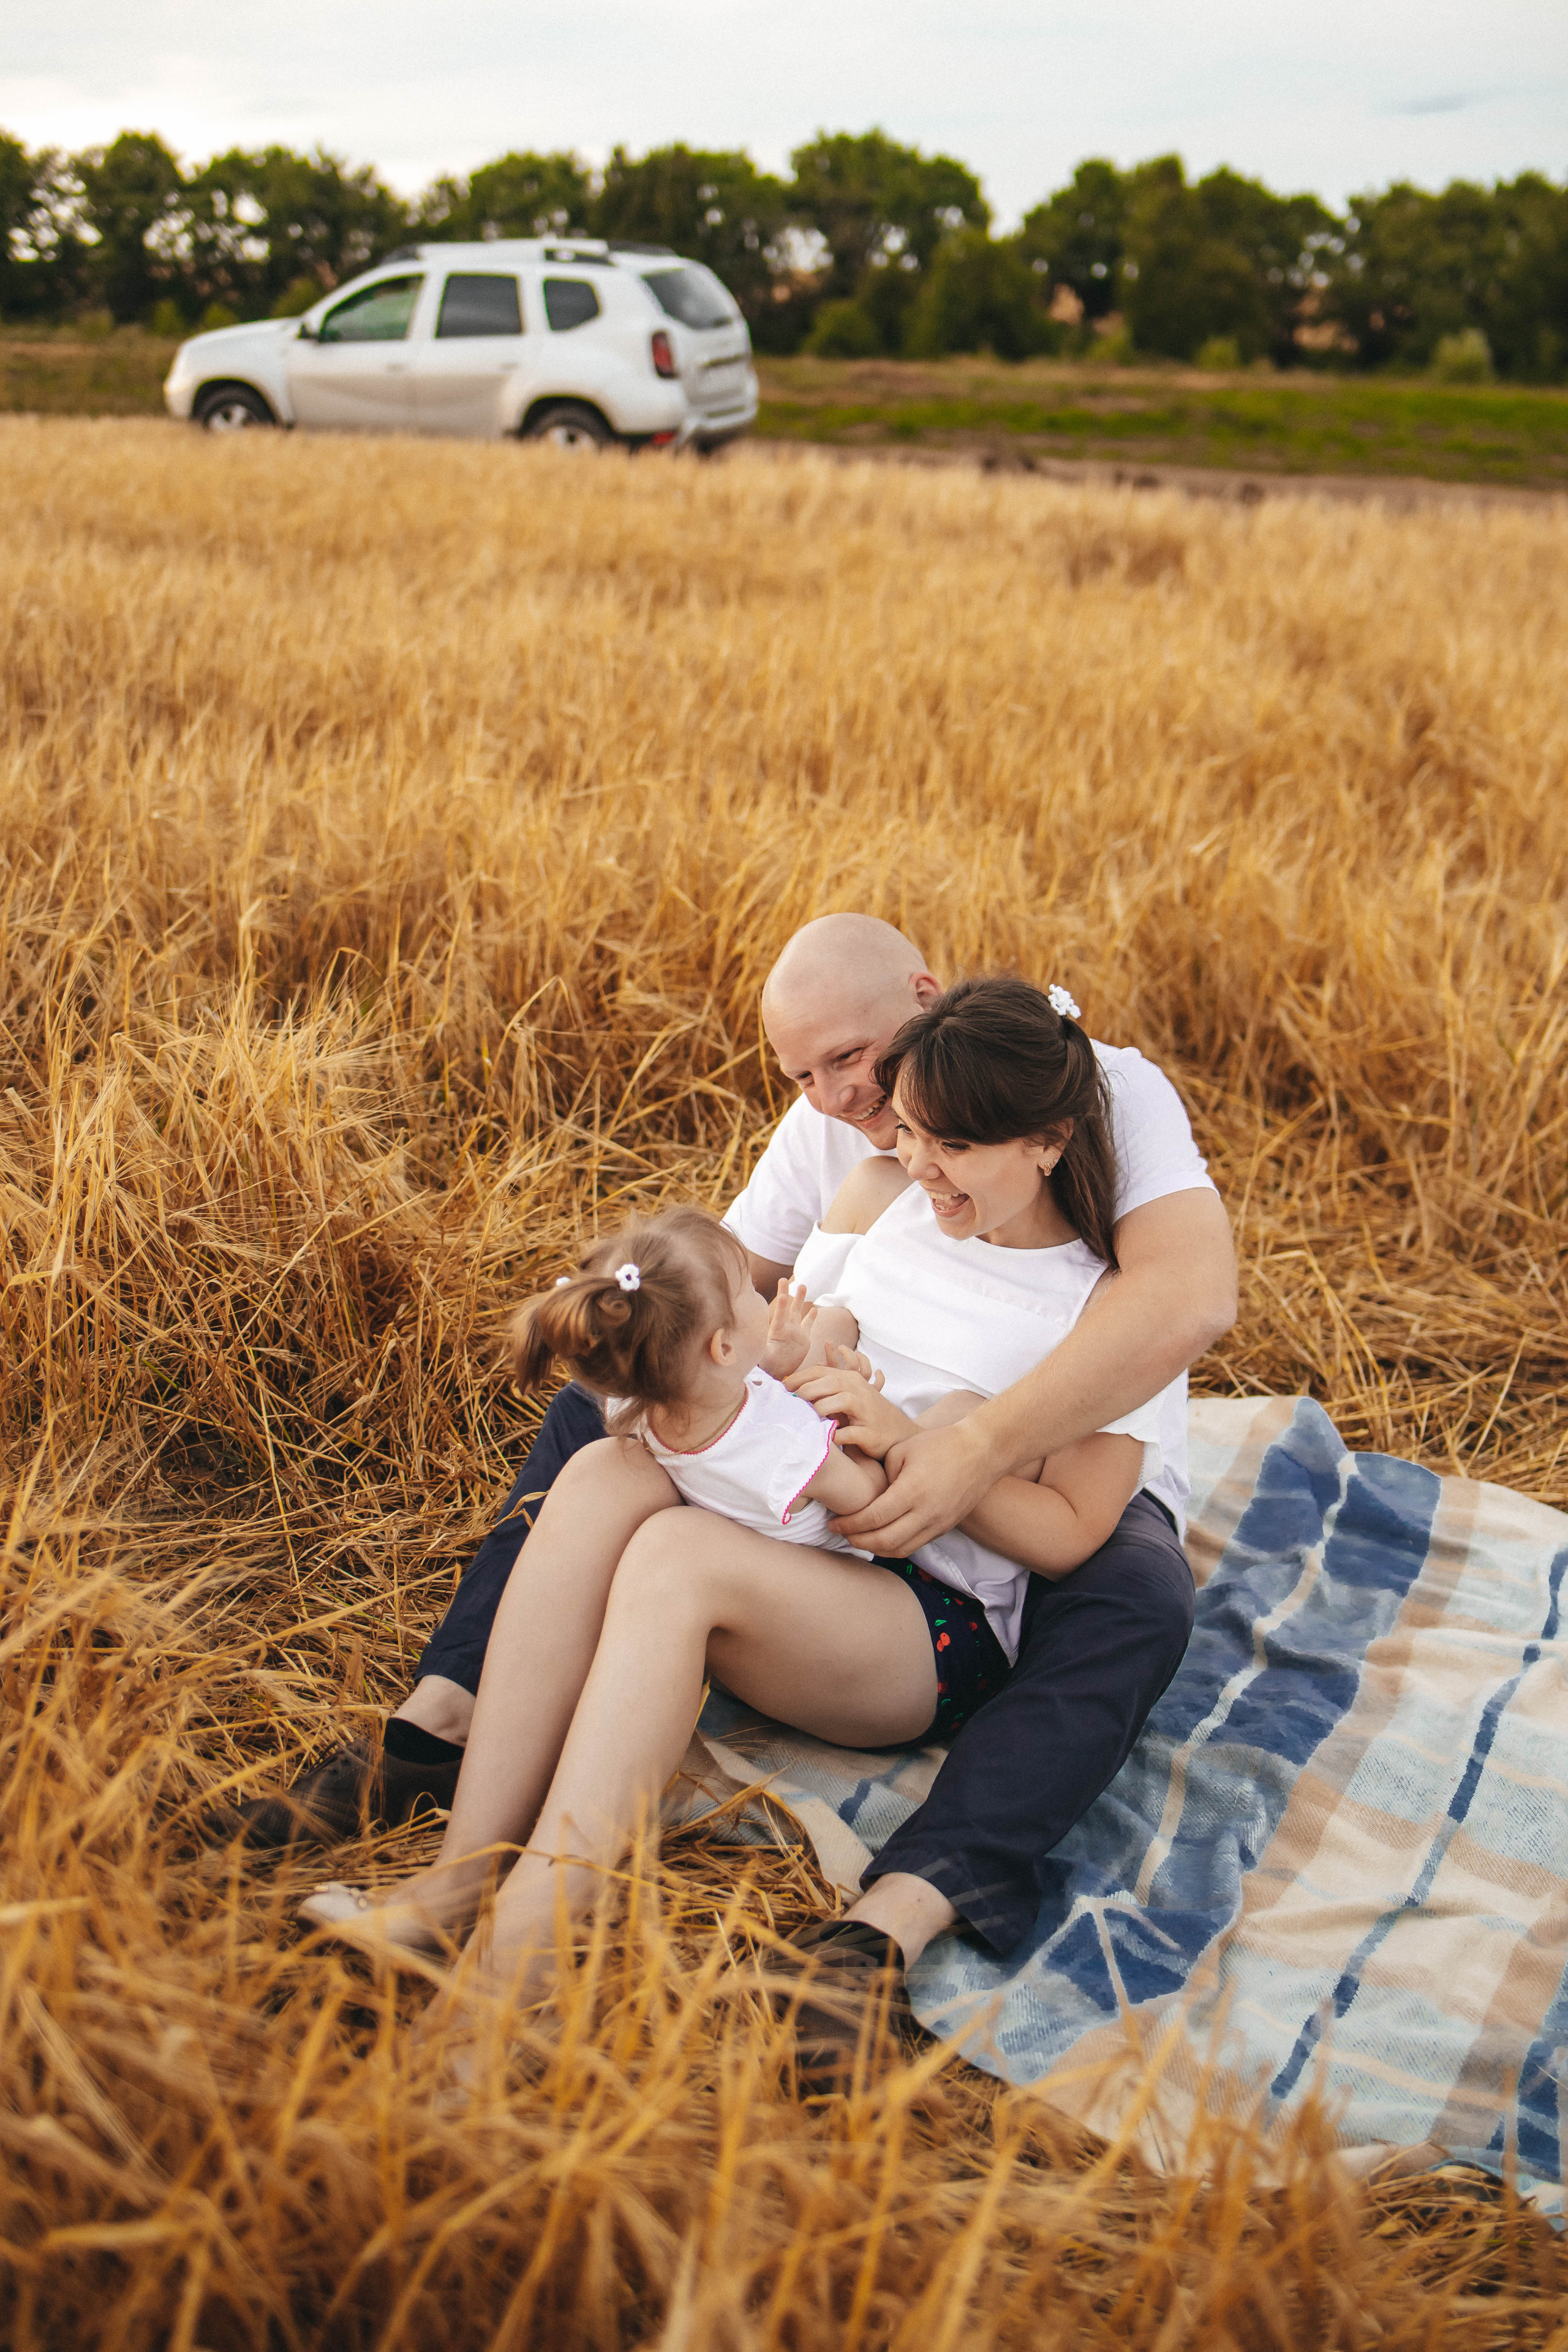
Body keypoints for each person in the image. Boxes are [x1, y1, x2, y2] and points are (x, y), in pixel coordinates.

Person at [232, 913, 1235, 1981]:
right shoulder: (884, 1174)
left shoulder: (1106, 1286)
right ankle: (452, 1862)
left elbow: (1084, 1499)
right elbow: (789, 1298)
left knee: (686, 1558)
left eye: (937, 1131)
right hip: (816, 1522)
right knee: (607, 1458)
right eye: (903, 1128)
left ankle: (516, 1966)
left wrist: (949, 1445)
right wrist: (780, 1355)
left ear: (1045, 1140)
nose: (889, 1136)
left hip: (929, 1598)